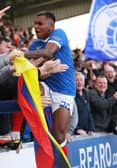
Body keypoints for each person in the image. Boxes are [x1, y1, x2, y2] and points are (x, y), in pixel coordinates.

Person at [24, 11, 76, 155]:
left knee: (59, 134)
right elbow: (29, 67)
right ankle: (23, 136)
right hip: (46, 85)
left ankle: (62, 161)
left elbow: (49, 53)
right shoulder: (35, 44)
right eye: (35, 24)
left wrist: (23, 55)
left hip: (63, 91)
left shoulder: (59, 33)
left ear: (51, 26)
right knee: (30, 84)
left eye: (40, 24)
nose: (36, 27)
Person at [75, 71, 95, 136]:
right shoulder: (71, 96)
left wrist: (91, 129)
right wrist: (77, 129)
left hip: (86, 132)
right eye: (76, 80)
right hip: (75, 133)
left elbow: (89, 113)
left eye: (81, 80)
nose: (79, 82)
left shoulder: (86, 94)